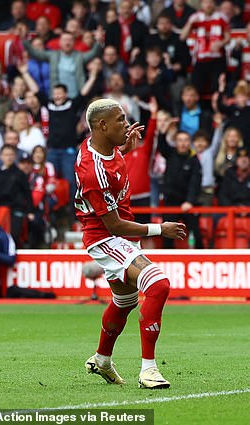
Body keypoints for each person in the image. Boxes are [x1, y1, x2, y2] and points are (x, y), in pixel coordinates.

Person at [76, 98, 186, 389]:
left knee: (124, 302)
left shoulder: (103, 148)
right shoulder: (92, 171)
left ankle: (101, 359)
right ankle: (148, 370)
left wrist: (125, 148)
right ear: (102, 125)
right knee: (158, 284)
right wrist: (159, 229)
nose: (126, 124)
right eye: (120, 120)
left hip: (121, 235)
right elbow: (113, 224)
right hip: (107, 237)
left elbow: (110, 162)